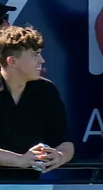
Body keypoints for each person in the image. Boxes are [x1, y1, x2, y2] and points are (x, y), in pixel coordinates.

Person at [0, 25, 73, 179]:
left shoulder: (46, 90)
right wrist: (19, 160)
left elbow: (65, 142)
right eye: (35, 55)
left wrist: (59, 156)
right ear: (12, 61)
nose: (42, 60)